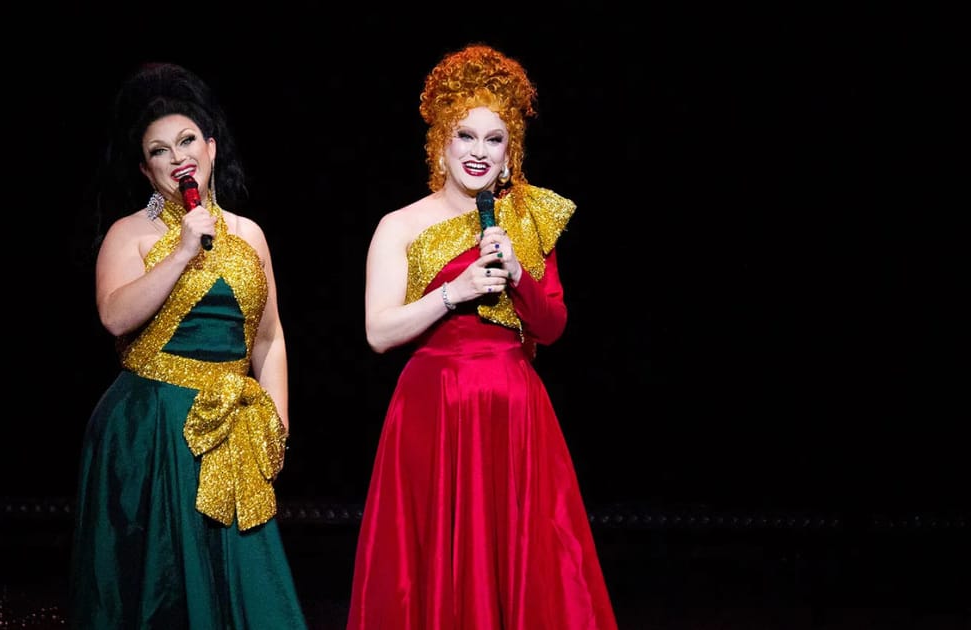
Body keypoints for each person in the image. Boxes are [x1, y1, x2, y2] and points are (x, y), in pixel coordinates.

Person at [346, 44, 618, 629]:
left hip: (516, 414)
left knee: (529, 569)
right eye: (465, 136)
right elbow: (377, 332)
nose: (479, 152)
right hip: (433, 409)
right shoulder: (399, 225)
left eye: (494, 139)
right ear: (440, 142)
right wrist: (454, 292)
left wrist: (517, 272)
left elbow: (553, 327)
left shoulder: (528, 217)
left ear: (510, 148)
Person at [69, 62, 307, 629]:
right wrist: (180, 251)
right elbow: (114, 316)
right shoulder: (131, 233)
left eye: (187, 141)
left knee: (247, 586)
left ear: (211, 149)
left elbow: (269, 337)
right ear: (147, 170)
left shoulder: (249, 235)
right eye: (159, 151)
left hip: (230, 432)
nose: (177, 157)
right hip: (150, 430)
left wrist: (274, 428)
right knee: (158, 590)